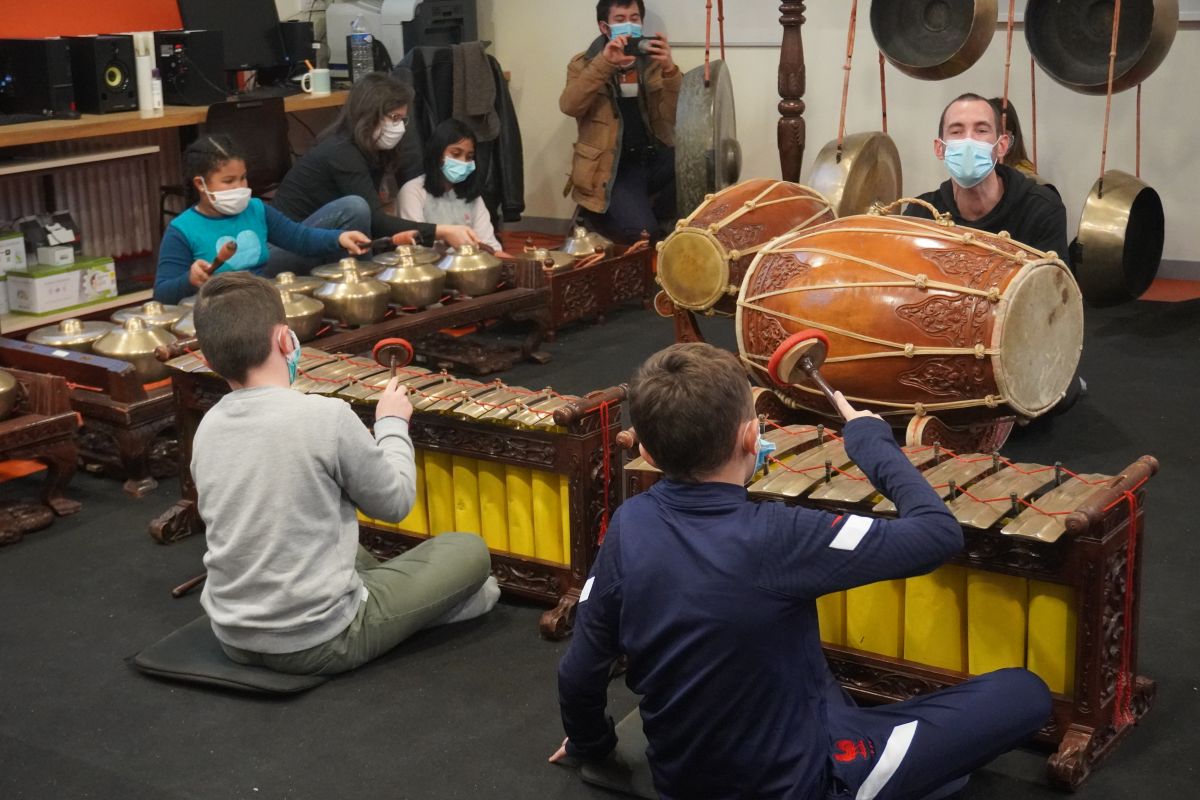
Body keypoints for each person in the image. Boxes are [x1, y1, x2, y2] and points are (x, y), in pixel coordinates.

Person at [552, 342, 1052, 799]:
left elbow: (579, 673)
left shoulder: (630, 522)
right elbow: (937, 535)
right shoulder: (780, 535)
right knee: (1023, 693)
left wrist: (592, 748)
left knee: (802, 664)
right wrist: (872, 442)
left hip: (679, 783)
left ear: (644, 449)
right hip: (806, 786)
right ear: (752, 437)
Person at [191, 272, 500, 675]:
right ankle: (420, 612)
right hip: (323, 639)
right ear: (286, 340)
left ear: (209, 359)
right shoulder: (326, 416)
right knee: (471, 553)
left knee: (332, 540)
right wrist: (391, 424)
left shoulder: (208, 426)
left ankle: (415, 605)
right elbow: (395, 503)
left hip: (232, 636)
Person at [272, 72, 480, 255]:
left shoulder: (372, 151)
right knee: (356, 208)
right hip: (289, 246)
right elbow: (374, 220)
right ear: (369, 115)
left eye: (402, 120)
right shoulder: (342, 152)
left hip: (321, 238)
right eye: (394, 118)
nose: (400, 127)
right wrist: (441, 231)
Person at [154, 135, 373, 305]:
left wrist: (340, 238)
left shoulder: (256, 209)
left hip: (263, 300)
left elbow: (299, 237)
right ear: (200, 184)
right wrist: (188, 280)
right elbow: (162, 293)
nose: (240, 187)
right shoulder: (182, 230)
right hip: (217, 310)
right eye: (228, 181)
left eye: (243, 178)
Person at [560, 0, 681, 243]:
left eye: (634, 18)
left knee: (700, 160)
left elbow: (676, 116)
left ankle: (652, 219)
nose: (629, 24)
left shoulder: (652, 60)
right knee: (643, 235)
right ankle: (597, 216)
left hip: (651, 158)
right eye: (620, 19)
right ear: (605, 27)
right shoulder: (583, 63)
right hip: (613, 168)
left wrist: (670, 70)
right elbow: (570, 106)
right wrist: (605, 63)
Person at [905, 92, 1068, 263]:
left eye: (981, 130)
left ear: (1002, 146)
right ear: (940, 148)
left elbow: (1053, 286)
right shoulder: (920, 215)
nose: (968, 141)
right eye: (956, 131)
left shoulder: (1041, 209)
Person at [397, 119, 512, 257]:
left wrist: (522, 264)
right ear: (437, 154)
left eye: (469, 157)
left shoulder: (472, 197)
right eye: (456, 154)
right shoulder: (412, 191)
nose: (463, 162)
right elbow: (414, 247)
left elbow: (490, 248)